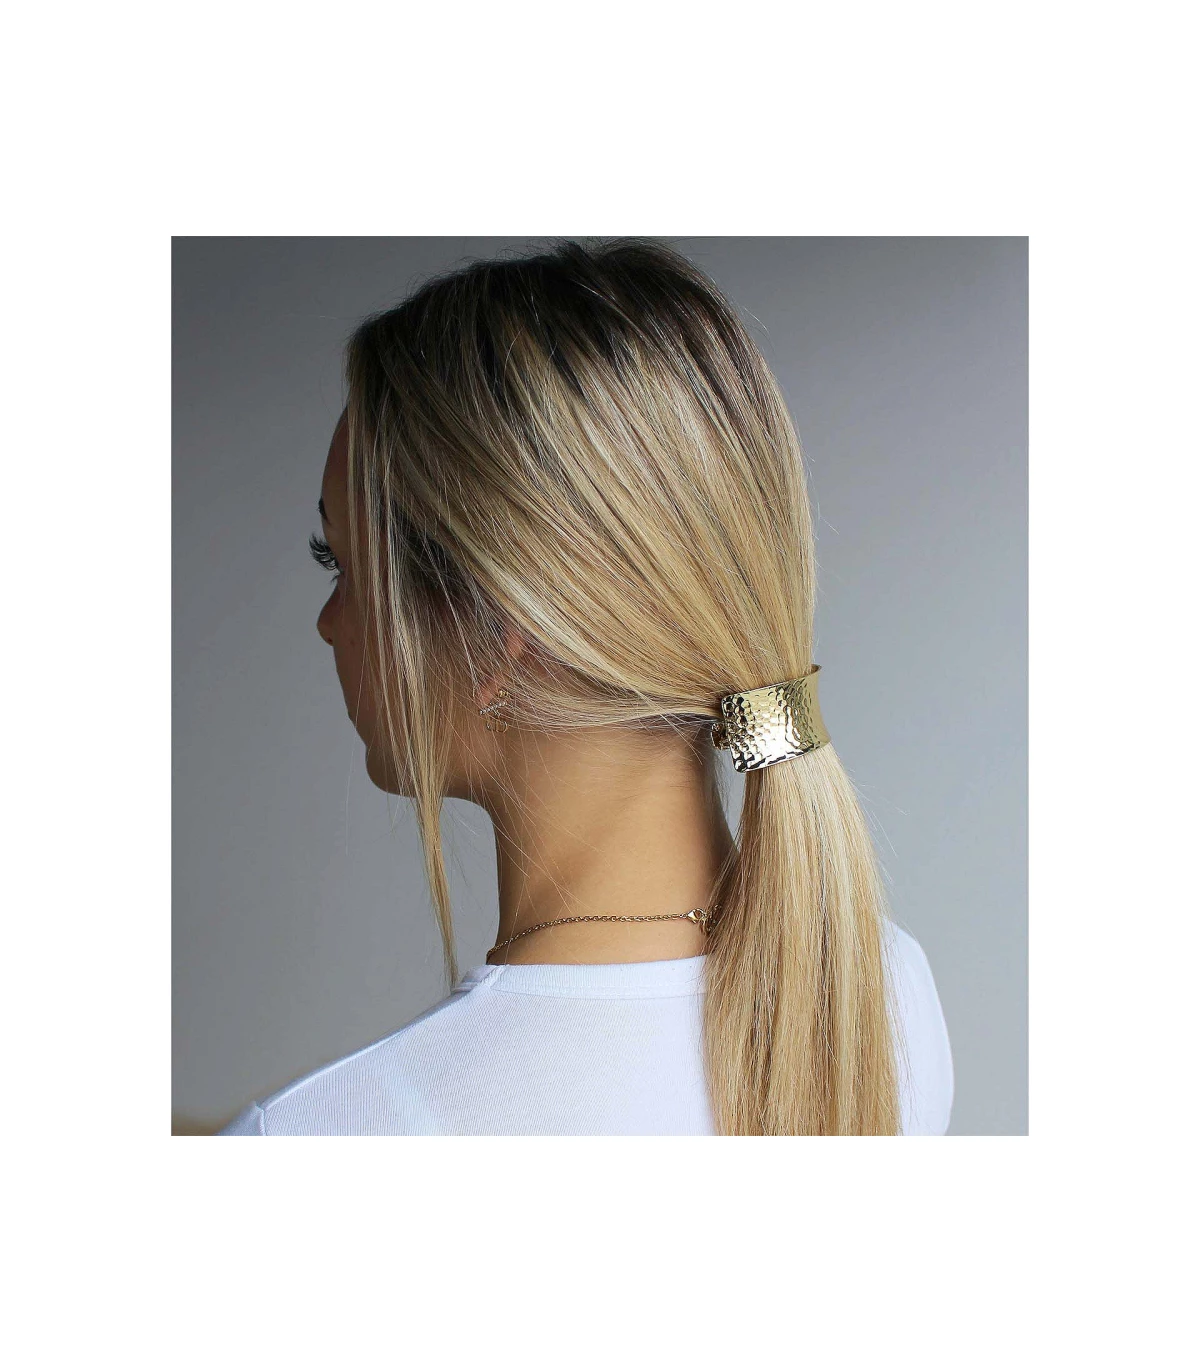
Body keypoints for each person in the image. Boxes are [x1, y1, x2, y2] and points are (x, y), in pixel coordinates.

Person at [219, 238, 953, 1137]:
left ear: (501, 632)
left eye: (341, 564)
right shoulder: (883, 999)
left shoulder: (323, 1134)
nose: (329, 623)